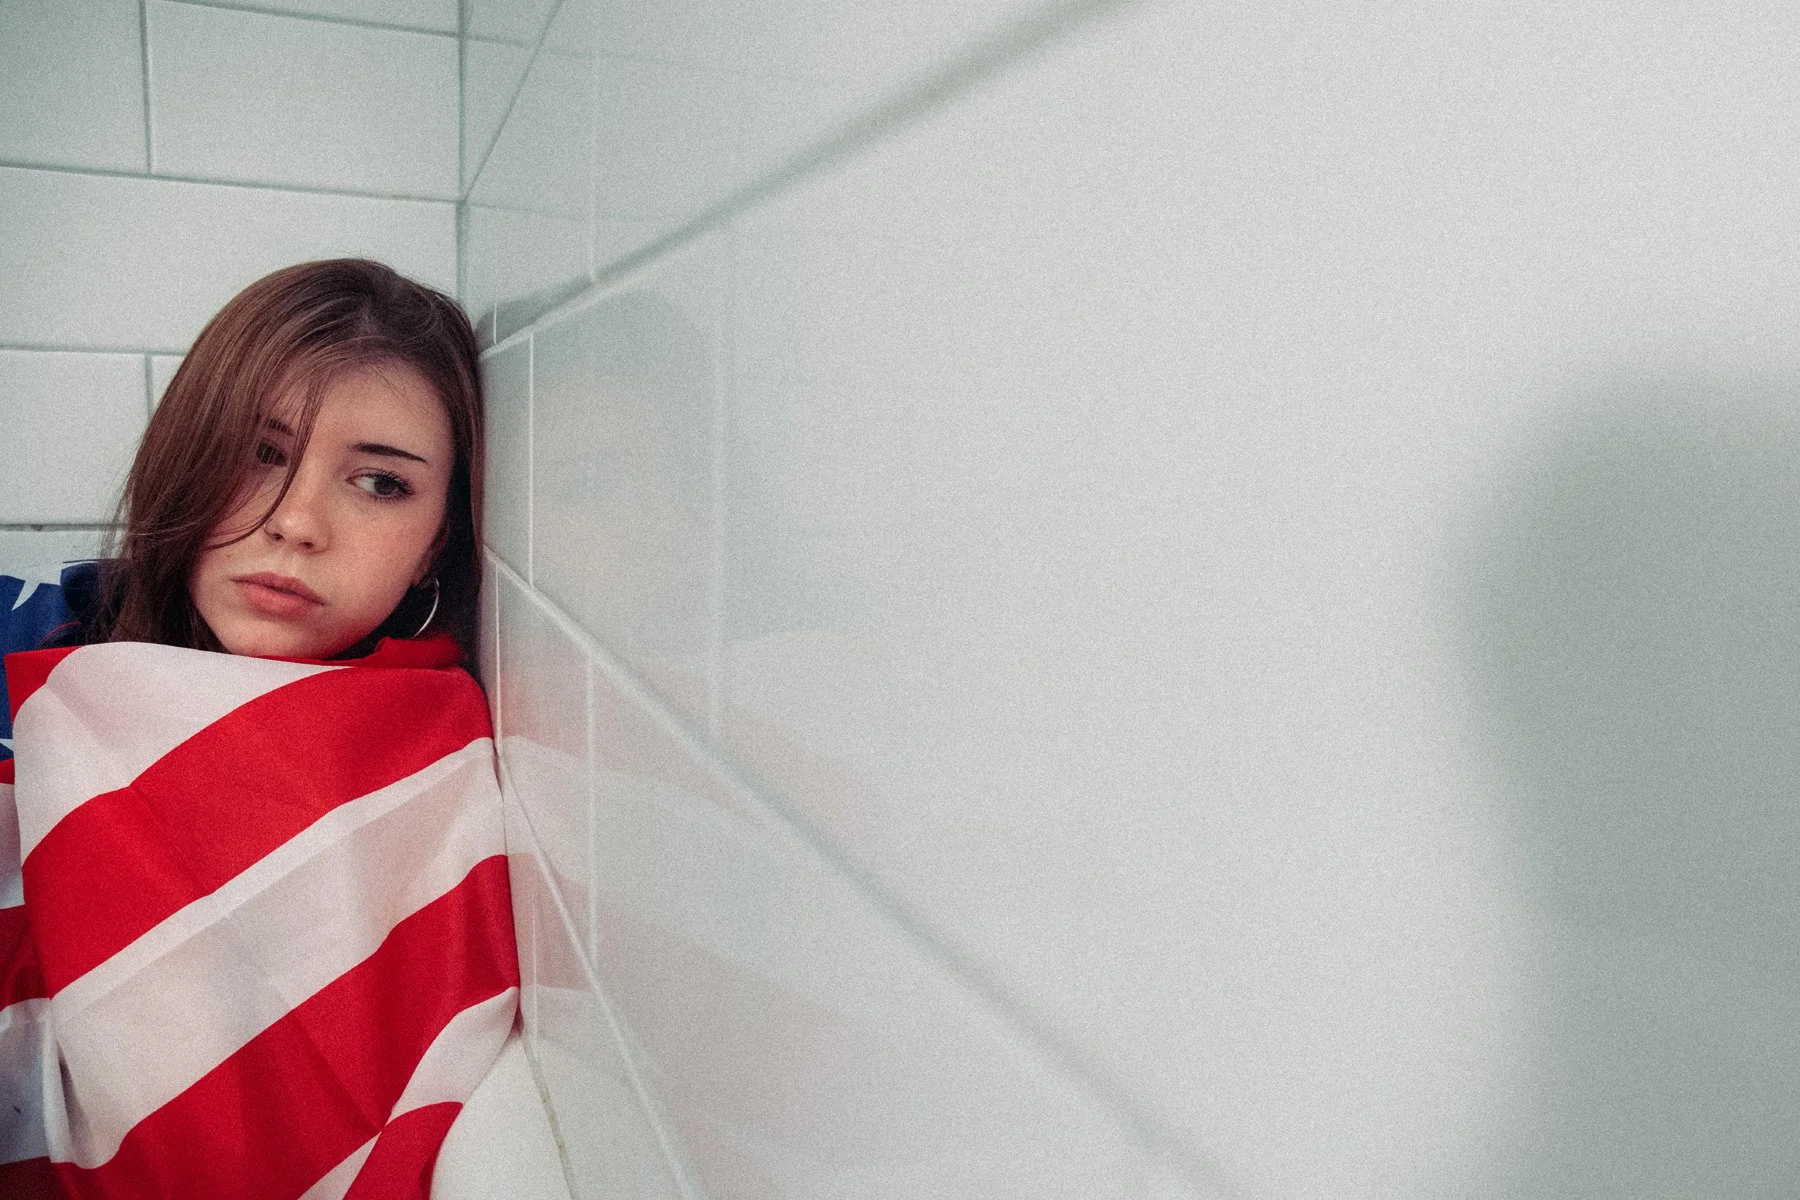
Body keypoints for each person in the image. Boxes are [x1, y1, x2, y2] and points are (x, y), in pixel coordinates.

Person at [0, 260, 516, 1199]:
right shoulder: (33, 636)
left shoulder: (450, 742)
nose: (297, 523)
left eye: (379, 483)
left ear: (437, 537)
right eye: (261, 453)